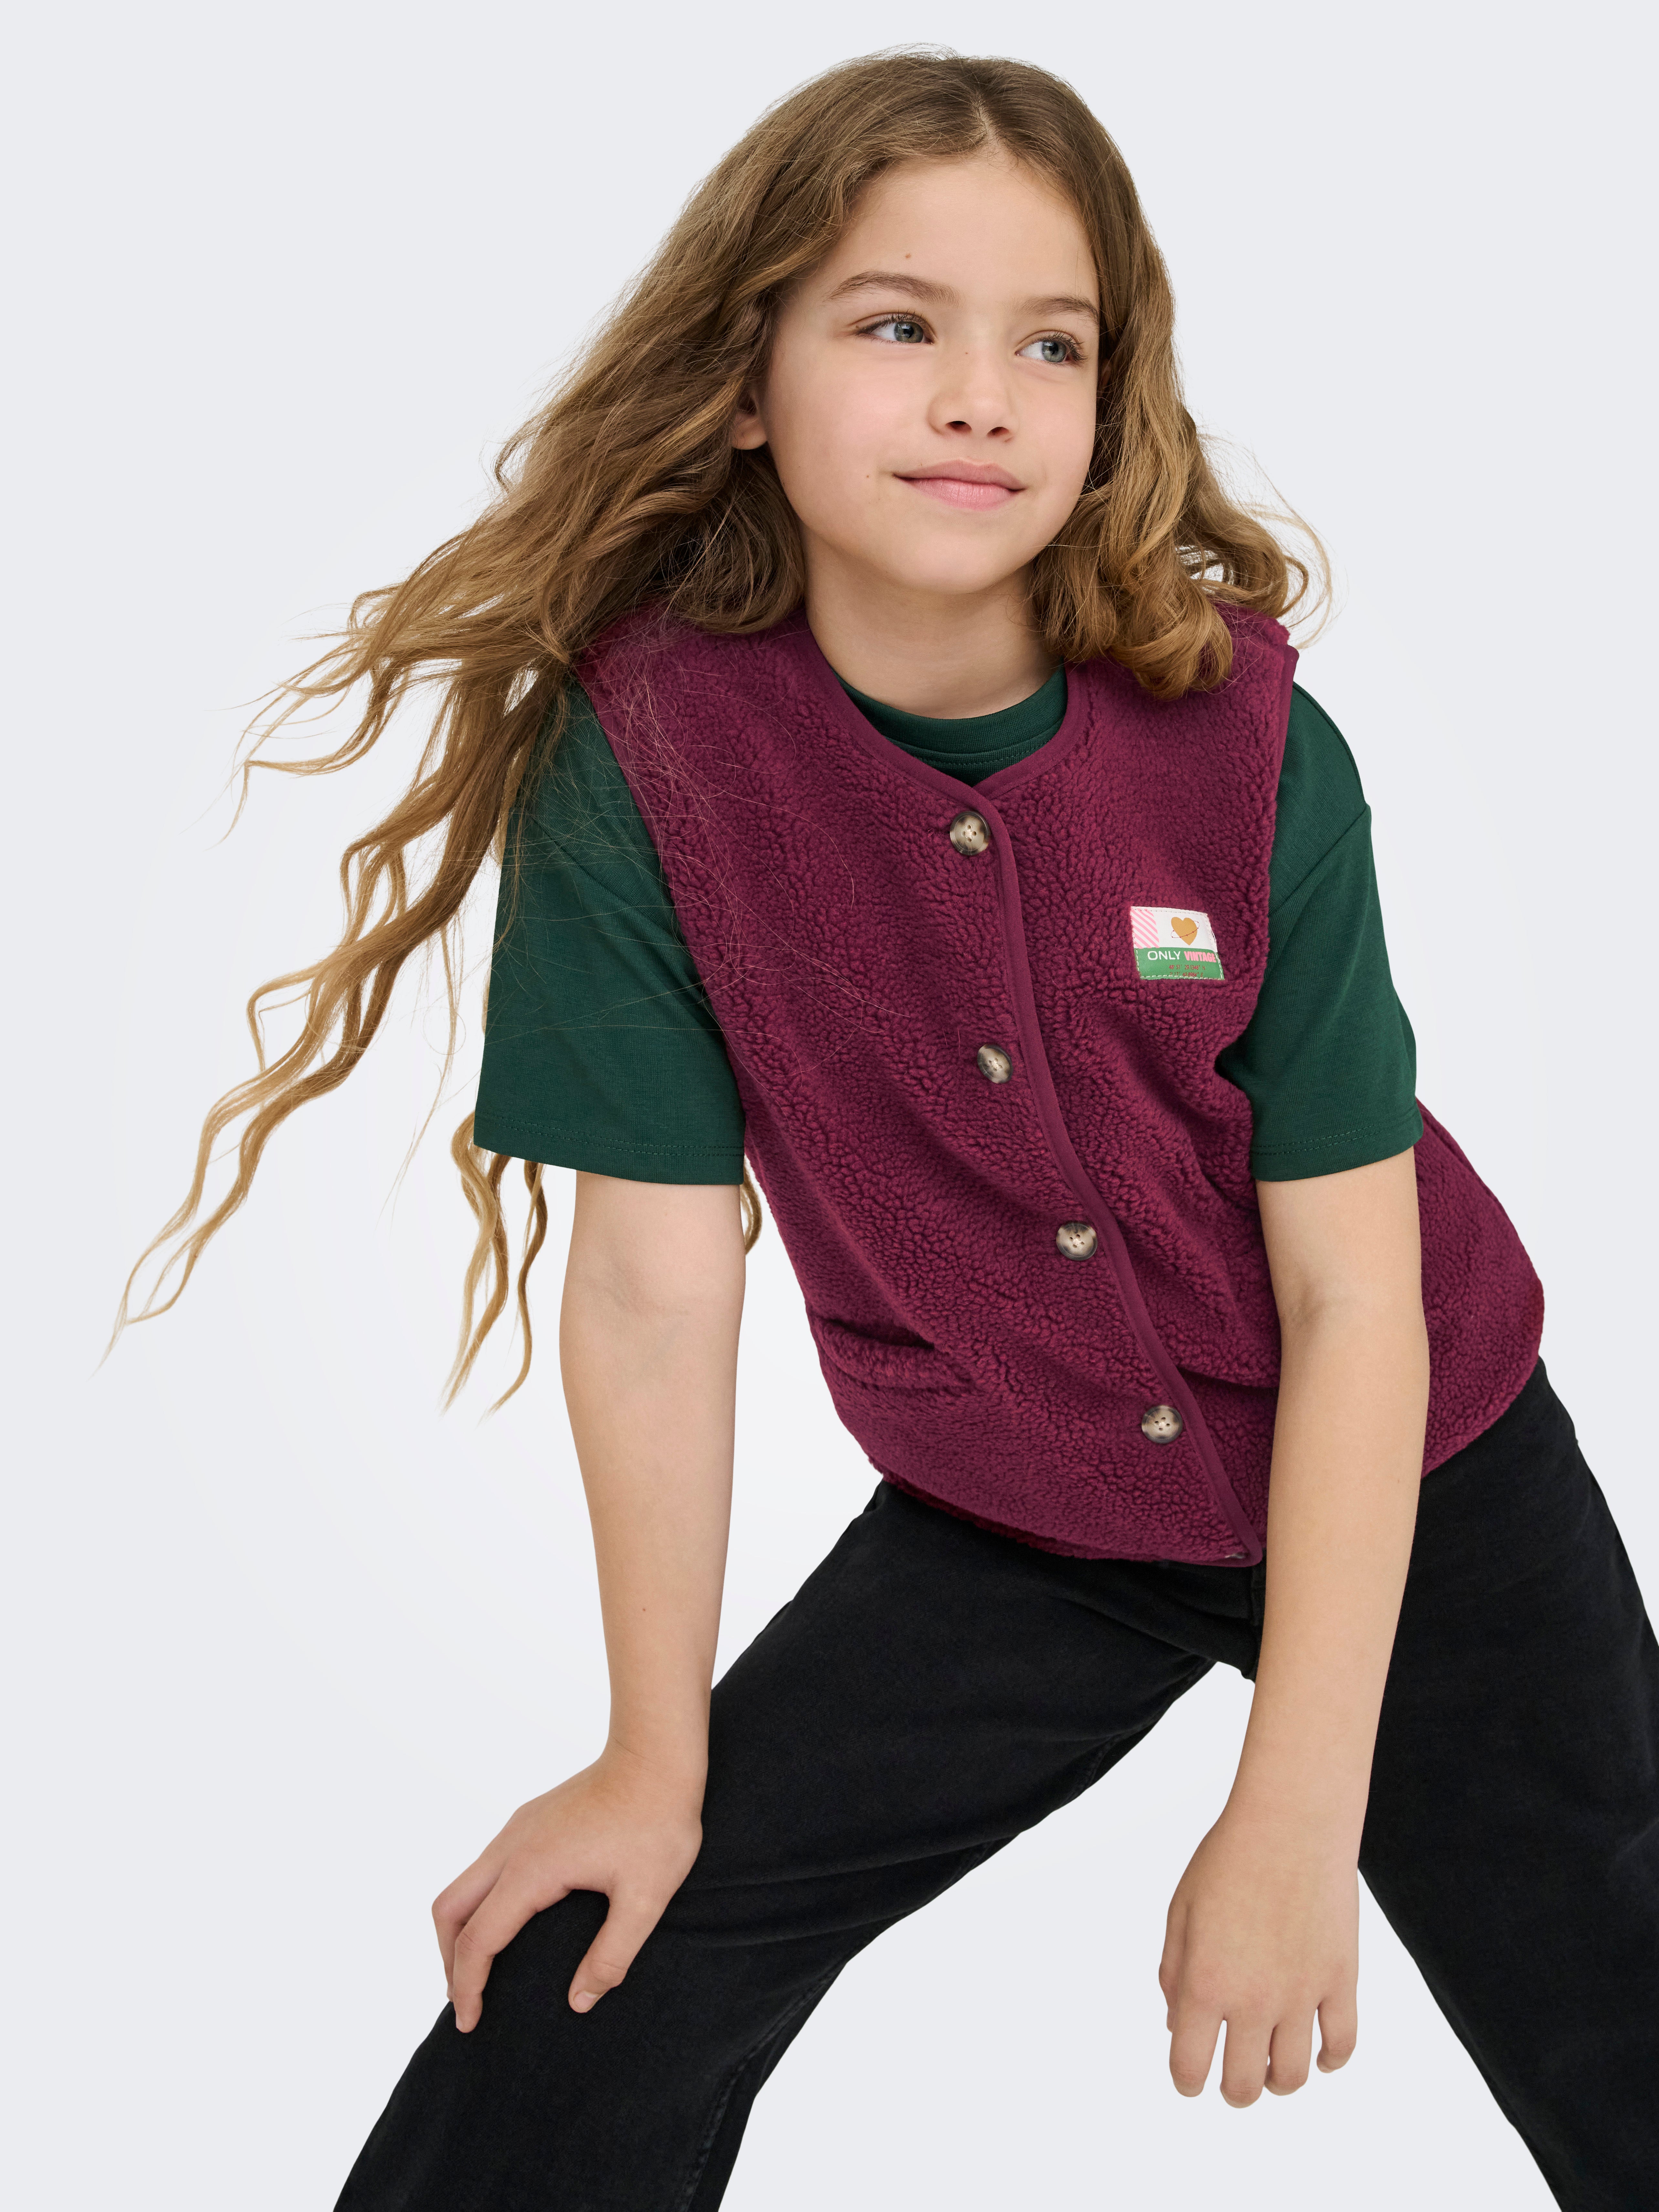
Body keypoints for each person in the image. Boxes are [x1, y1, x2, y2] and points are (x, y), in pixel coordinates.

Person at [117, 50, 1657, 2212]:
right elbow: (657, 1289)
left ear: (1113, 400)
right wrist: (653, 1759)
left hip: (1416, 1468)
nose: (979, 399)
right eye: (897, 322)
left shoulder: (1252, 748)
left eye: (1053, 345)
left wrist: (1297, 1814)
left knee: (1629, 2019)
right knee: (589, 1983)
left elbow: (1351, 1292)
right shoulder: (645, 763)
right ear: (748, 376)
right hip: (1022, 1504)